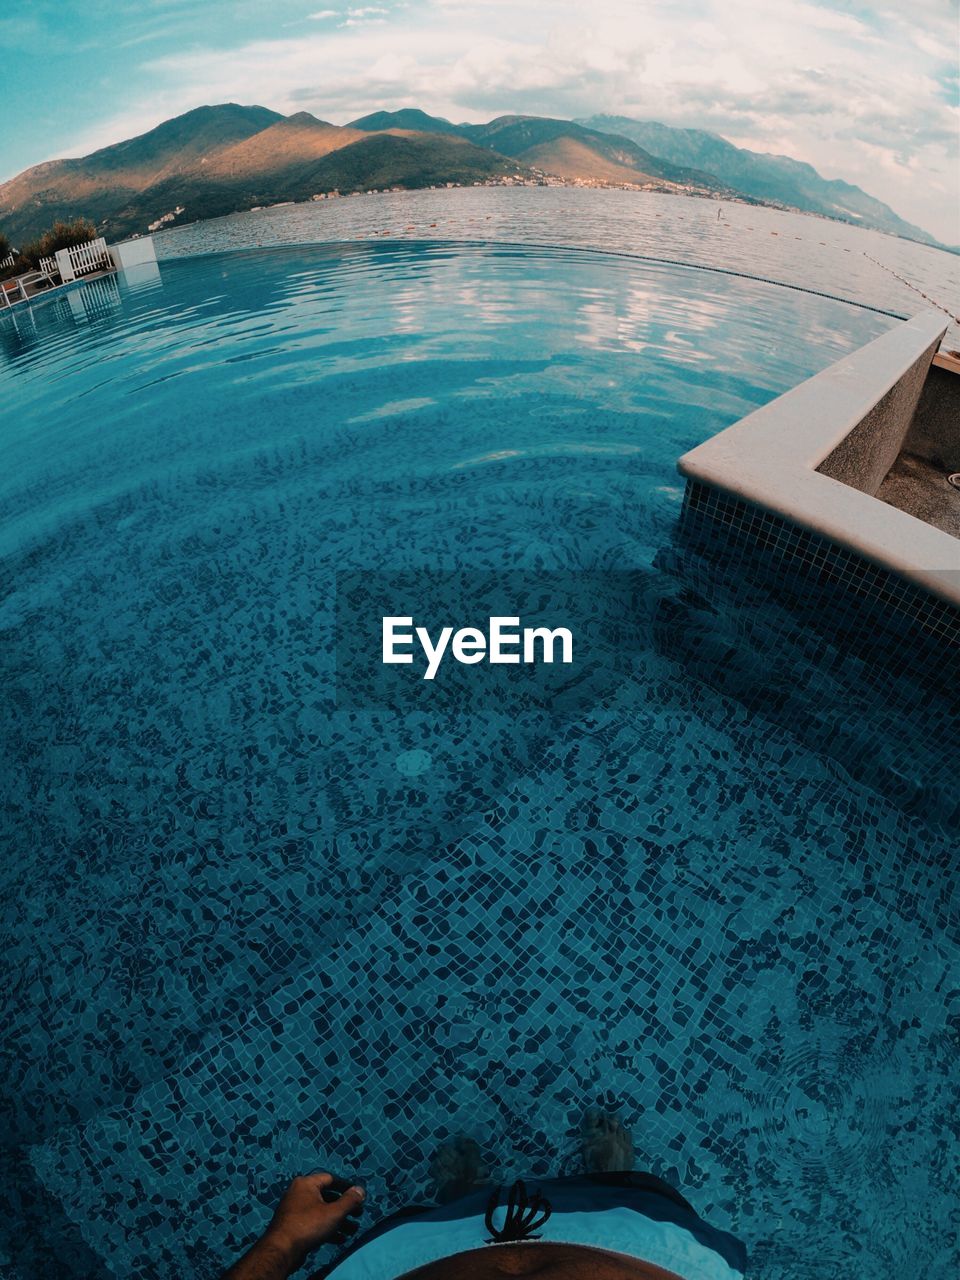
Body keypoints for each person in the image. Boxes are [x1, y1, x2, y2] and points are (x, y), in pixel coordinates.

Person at [221, 1109, 746, 1280]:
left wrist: (284, 1245)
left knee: (436, 1214)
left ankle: (462, 1195)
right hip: (637, 1245)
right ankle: (610, 1175)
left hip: (415, 1257)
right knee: (637, 1195)